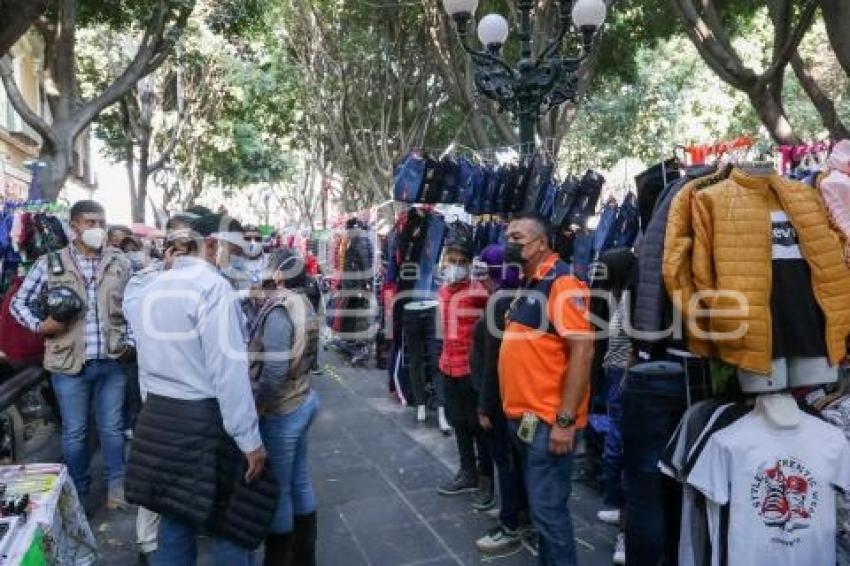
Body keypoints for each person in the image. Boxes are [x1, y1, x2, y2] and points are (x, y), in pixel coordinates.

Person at [123, 214, 269, 565]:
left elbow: (146, 361)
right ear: (213, 245)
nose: (236, 257)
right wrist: (249, 439)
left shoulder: (152, 287)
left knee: (175, 516)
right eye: (232, 248)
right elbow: (229, 373)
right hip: (203, 419)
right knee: (231, 522)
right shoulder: (211, 287)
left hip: (159, 415)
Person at [11, 200, 131, 508]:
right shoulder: (50, 264)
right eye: (90, 223)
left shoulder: (119, 262)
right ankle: (79, 490)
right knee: (75, 432)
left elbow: (135, 305)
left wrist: (130, 340)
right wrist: (40, 326)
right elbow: (17, 304)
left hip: (112, 360)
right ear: (74, 226)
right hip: (68, 364)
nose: (97, 229)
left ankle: (117, 487)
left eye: (101, 223)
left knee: (112, 428)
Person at [499, 213, 594, 566]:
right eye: (508, 236)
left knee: (549, 514)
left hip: (547, 422)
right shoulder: (530, 282)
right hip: (524, 418)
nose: (510, 242)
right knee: (543, 514)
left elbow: (583, 349)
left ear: (541, 243)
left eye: (518, 238)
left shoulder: (562, 283)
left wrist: (565, 421)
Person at [123, 211, 198, 563]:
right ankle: (149, 542)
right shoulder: (143, 282)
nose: (182, 252)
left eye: (189, 245)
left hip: (197, 394)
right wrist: (167, 280)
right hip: (159, 394)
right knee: (159, 468)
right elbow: (143, 328)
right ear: (164, 247)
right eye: (176, 245)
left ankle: (184, 524)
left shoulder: (206, 280)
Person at [248, 249, 321, 566]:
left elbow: (275, 371)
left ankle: (280, 559)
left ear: (278, 273)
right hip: (303, 398)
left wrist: (259, 406)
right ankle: (305, 557)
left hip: (283, 409)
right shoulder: (302, 301)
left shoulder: (279, 310)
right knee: (299, 481)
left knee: (278, 491)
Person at [469, 245, 529, 555]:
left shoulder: (499, 302)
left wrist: (484, 405)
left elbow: (493, 361)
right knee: (516, 461)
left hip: (502, 399)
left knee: (505, 460)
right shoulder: (521, 296)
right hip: (519, 397)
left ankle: (510, 523)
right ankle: (517, 512)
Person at [436, 226, 492, 499]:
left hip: (471, 369)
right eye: (452, 260)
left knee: (478, 424)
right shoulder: (444, 291)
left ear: (470, 264)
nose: (456, 266)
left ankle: (485, 477)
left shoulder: (479, 292)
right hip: (448, 365)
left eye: (462, 262)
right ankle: (466, 472)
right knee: (458, 422)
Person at [593, 248, 636, 566]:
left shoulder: (631, 299)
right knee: (614, 442)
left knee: (620, 446)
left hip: (624, 376)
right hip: (615, 373)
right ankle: (615, 502)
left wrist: (623, 378)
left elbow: (634, 343)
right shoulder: (619, 297)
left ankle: (625, 523)